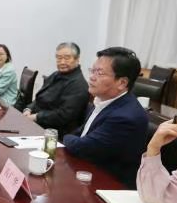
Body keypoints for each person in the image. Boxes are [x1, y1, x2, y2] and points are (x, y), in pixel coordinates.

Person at [63, 47, 148, 188]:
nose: (92, 77)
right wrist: (71, 139)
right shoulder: (103, 100)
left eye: (100, 73)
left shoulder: (125, 117)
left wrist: (65, 137)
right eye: (92, 70)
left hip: (110, 187)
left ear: (122, 83)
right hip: (88, 171)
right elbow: (82, 132)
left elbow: (83, 148)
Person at [23, 42, 90, 136]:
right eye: (59, 58)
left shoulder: (78, 85)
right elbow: (40, 98)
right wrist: (28, 109)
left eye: (67, 58)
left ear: (77, 59)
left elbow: (63, 115)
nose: (62, 62)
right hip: (36, 123)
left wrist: (36, 117)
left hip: (53, 133)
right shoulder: (56, 74)